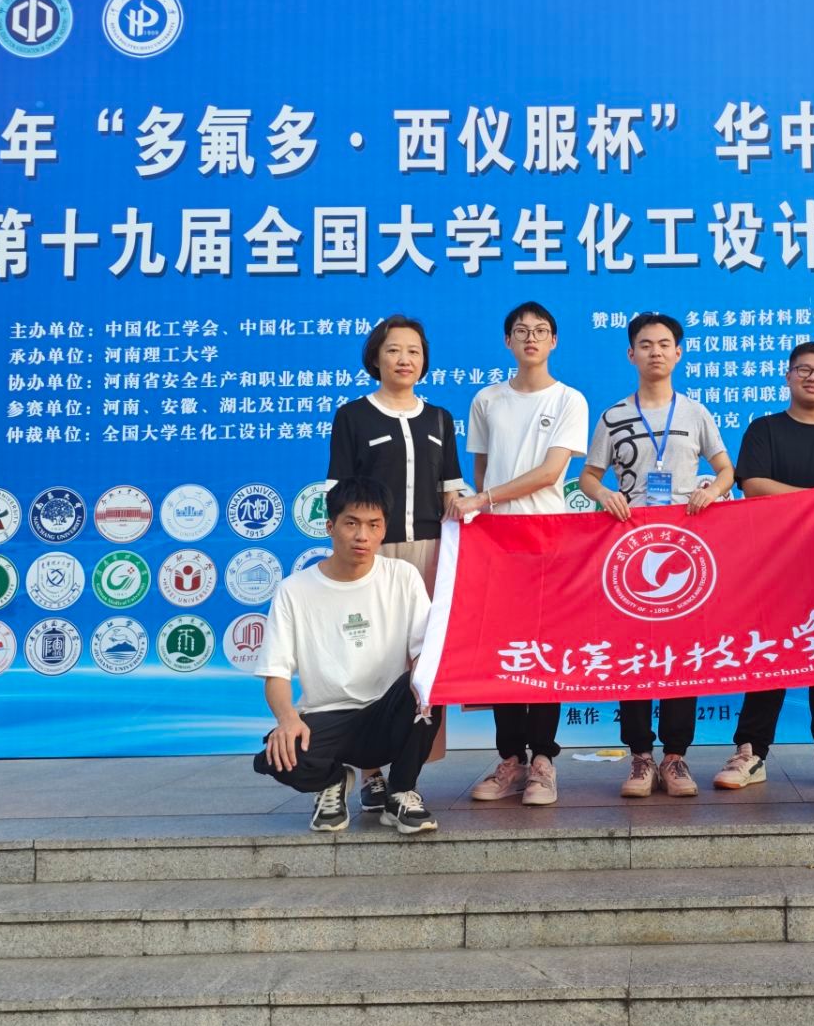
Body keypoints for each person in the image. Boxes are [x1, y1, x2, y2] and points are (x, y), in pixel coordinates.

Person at [580, 311, 736, 798]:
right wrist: (605, 495)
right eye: (645, 344)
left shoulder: (695, 413)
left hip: (684, 547)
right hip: (630, 548)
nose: (656, 352)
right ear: (631, 354)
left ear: (679, 353)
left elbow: (726, 469)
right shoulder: (613, 416)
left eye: (665, 344)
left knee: (681, 652)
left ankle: (675, 757)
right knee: (634, 652)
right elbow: (588, 476)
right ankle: (640, 756)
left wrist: (713, 492)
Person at [714, 340, 814, 792]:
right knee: (769, 654)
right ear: (788, 376)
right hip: (772, 563)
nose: (813, 378)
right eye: (804, 369)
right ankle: (751, 750)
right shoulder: (764, 429)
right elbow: (753, 485)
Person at [326, 314, 465, 813]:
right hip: (373, 555)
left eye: (414, 351)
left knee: (423, 661)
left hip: (429, 554)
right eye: (393, 350)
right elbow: (339, 493)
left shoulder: (439, 419)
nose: (404, 359)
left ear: (424, 361)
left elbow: (452, 491)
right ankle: (370, 773)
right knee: (371, 658)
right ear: (375, 358)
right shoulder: (353, 417)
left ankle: (408, 775)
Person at [252, 476, 440, 836]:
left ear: (384, 529)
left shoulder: (403, 576)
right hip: (326, 717)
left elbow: (423, 651)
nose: (362, 536)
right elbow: (275, 672)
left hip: (386, 715)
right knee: (277, 757)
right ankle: (333, 780)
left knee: (428, 683)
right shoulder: (294, 590)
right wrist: (287, 720)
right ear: (330, 527)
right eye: (351, 523)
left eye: (373, 525)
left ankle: (401, 793)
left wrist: (423, 684)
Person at [459, 300, 591, 806]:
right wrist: (485, 506)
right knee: (505, 651)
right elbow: (481, 468)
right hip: (496, 542)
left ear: (554, 341)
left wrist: (486, 499)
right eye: (521, 330)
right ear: (507, 341)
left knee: (544, 651)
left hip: (547, 539)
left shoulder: (569, 399)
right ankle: (510, 759)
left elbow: (551, 472)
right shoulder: (487, 400)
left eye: (540, 331)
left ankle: (543, 761)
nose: (530, 338)